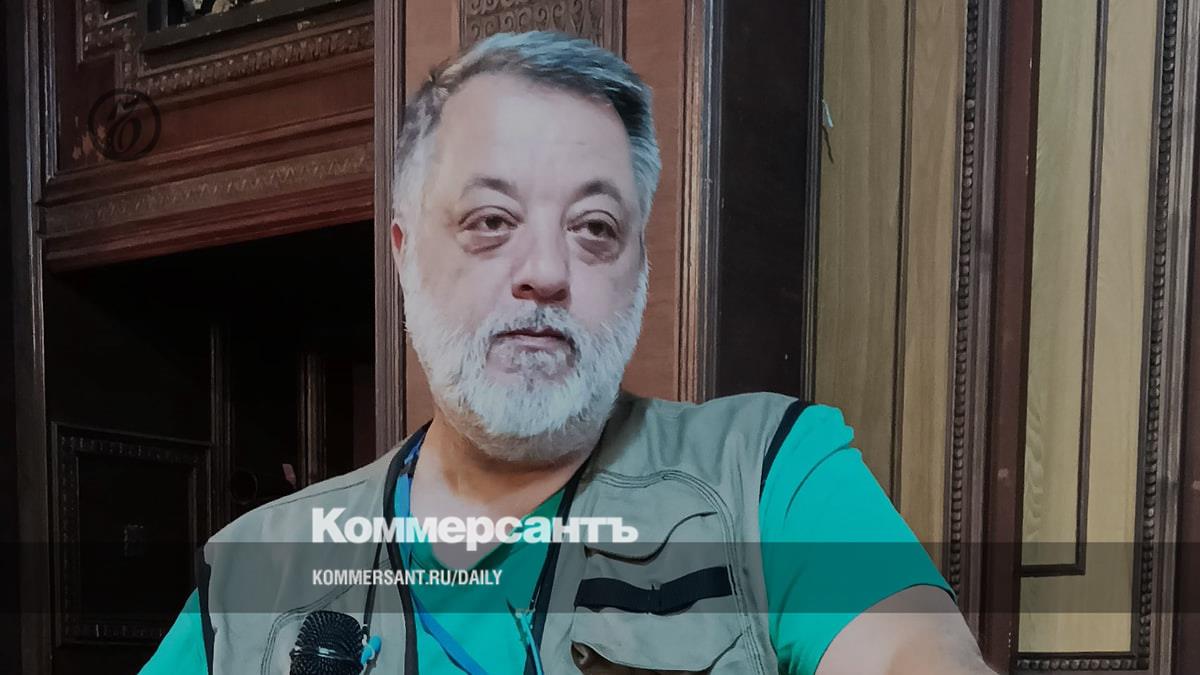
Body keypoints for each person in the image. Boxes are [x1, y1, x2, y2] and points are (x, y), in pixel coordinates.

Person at [141, 31, 994, 675]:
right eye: (491, 221)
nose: (547, 271)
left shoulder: (770, 477)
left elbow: (912, 652)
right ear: (402, 254)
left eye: (594, 228)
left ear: (640, 270)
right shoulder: (253, 569)